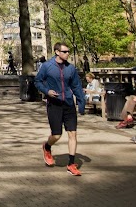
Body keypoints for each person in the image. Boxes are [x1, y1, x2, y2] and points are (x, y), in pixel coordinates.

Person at [34, 42, 85, 177]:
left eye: (68, 51)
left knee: (72, 134)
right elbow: (37, 81)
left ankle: (71, 164)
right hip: (54, 105)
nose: (67, 53)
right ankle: (47, 146)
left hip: (68, 104)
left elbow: (76, 86)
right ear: (57, 52)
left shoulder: (71, 69)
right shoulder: (47, 67)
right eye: (64, 51)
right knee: (57, 135)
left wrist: (81, 102)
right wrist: (47, 91)